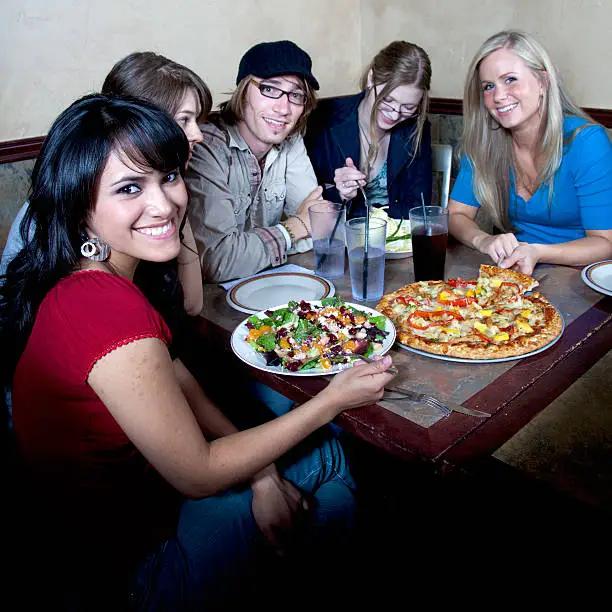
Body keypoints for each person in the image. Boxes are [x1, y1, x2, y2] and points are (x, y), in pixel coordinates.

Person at [1, 93, 396, 610]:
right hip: (132, 569)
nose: (164, 204)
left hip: (112, 531)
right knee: (329, 454)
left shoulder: (90, 278)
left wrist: (263, 477)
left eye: (167, 177)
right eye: (128, 188)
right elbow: (198, 471)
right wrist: (333, 400)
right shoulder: (103, 307)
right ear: (79, 205)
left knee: (289, 479)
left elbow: (180, 378)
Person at [1, 51, 212, 316]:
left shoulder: (161, 196)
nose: (197, 135)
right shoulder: (63, 206)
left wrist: (171, 194)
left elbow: (190, 304)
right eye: (184, 120)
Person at [448, 30, 612, 275]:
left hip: (581, 277)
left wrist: (538, 251)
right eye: (489, 86)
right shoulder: (486, 143)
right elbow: (456, 214)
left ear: (543, 82)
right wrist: (483, 240)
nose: (499, 96)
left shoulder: (586, 141)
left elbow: (605, 243)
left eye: (510, 79)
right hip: (514, 274)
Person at [185, 40, 326, 283]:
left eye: (296, 95)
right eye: (269, 89)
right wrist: (292, 230)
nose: (284, 109)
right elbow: (217, 262)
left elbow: (319, 228)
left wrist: (258, 247)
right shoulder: (206, 147)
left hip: (271, 290)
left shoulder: (290, 140)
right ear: (243, 91)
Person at [305, 40, 433, 219]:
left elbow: (419, 207)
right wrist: (341, 195)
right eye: (387, 100)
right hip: (339, 238)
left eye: (409, 107)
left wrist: (372, 218)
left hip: (397, 242)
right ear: (371, 78)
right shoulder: (324, 119)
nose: (395, 115)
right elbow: (306, 202)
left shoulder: (416, 128)